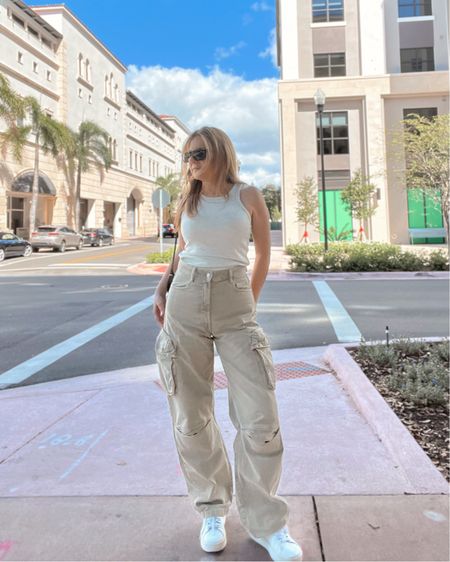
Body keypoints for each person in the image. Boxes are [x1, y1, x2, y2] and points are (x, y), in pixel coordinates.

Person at [153, 126, 303, 562]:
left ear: (219, 151)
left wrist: (247, 300)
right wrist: (163, 286)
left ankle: (267, 523)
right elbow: (182, 250)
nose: (190, 163)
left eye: (197, 153)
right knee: (191, 415)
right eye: (186, 156)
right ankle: (213, 509)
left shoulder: (248, 196)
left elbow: (262, 255)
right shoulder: (188, 199)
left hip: (236, 302)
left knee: (259, 415)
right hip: (185, 301)